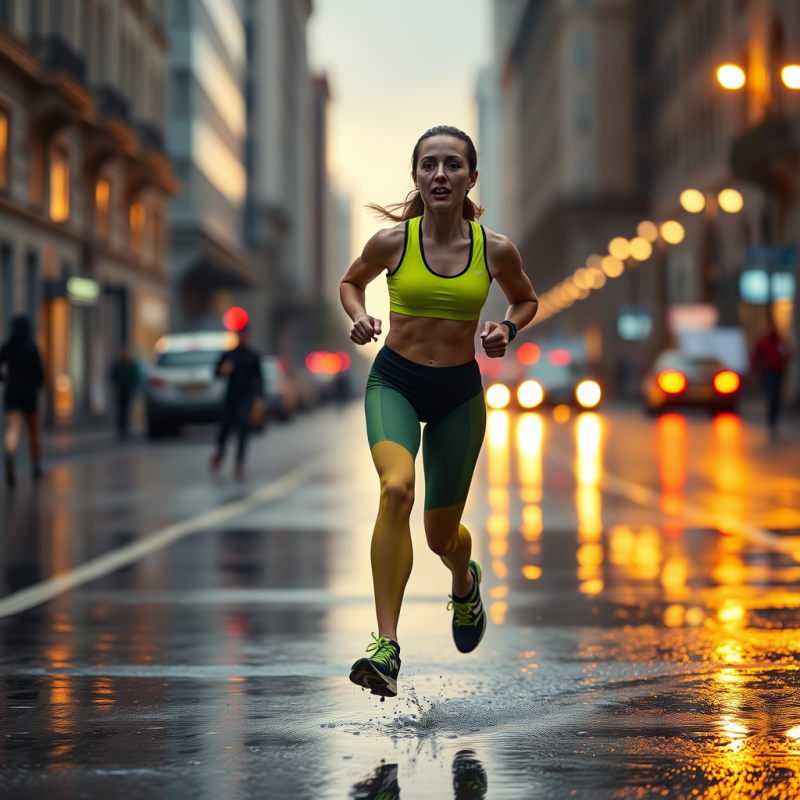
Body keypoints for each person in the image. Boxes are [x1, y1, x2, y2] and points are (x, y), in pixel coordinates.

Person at [340, 125, 538, 698]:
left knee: (439, 536)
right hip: (395, 383)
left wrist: (507, 327)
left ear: (472, 177)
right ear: (416, 177)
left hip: (459, 394)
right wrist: (358, 316)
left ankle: (463, 581)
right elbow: (352, 283)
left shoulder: (494, 249)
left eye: (453, 165)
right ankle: (386, 645)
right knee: (395, 489)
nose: (441, 174)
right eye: (429, 165)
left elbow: (525, 299)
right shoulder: (391, 242)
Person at [210, 325, 264, 480]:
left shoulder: (253, 356)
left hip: (246, 397)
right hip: (230, 396)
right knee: (224, 427)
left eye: (244, 334)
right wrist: (222, 371)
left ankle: (239, 463)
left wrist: (259, 398)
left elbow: (259, 379)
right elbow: (215, 372)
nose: (242, 337)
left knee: (243, 427)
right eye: (239, 334)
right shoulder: (229, 354)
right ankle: (220, 452)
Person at [0, 315, 45, 487]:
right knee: (33, 431)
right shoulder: (30, 347)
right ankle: (35, 466)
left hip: (11, 393)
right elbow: (39, 373)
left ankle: (9, 453)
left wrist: (5, 379)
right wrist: (39, 384)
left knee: (13, 429)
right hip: (28, 395)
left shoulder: (7, 346)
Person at [751, 316, 792, 438]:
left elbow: (789, 354)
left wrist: (786, 356)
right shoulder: (763, 341)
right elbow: (756, 357)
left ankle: (774, 420)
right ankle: (771, 421)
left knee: (777, 397)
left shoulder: (781, 340)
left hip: (778, 371)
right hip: (767, 372)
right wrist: (755, 372)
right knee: (772, 395)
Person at [109, 346, 140, 438]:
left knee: (125, 410)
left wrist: (133, 387)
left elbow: (135, 377)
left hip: (128, 390)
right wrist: (115, 387)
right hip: (120, 390)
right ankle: (120, 429)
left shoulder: (131, 366)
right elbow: (112, 376)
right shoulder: (118, 366)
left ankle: (125, 429)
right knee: (121, 410)